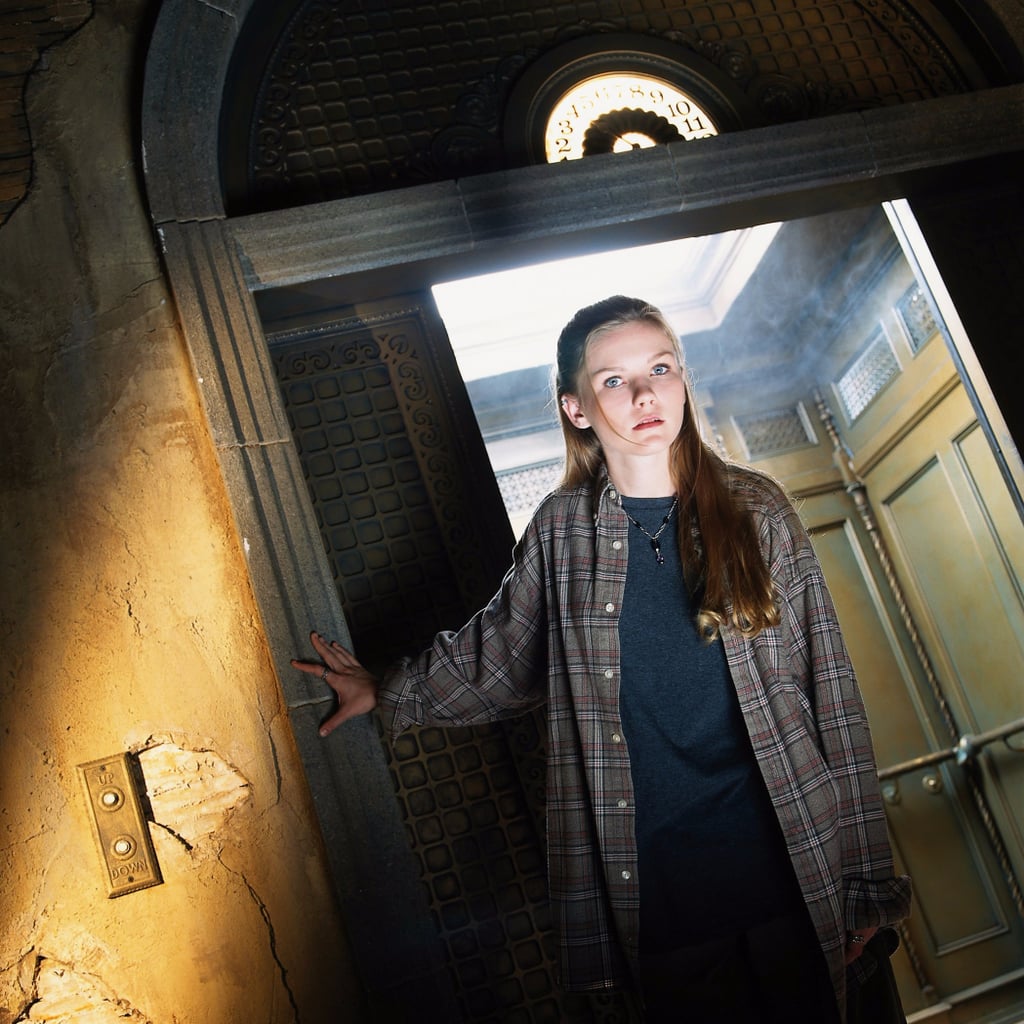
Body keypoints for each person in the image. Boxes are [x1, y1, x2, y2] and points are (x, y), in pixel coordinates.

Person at [292, 295, 912, 1022]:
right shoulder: (562, 533)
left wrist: (867, 879)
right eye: (614, 380)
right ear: (577, 407)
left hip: (800, 873)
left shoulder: (758, 511)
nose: (645, 393)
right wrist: (387, 690)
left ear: (682, 379)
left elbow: (832, 692)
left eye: (660, 368)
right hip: (662, 906)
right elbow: (497, 655)